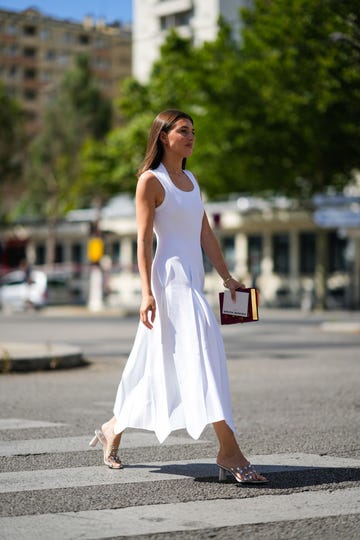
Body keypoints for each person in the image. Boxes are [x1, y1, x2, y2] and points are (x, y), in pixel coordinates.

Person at [90, 109, 268, 484]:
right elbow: (142, 241)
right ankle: (229, 450)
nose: (191, 137)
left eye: (193, 131)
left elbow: (205, 234)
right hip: (168, 285)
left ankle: (112, 428)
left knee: (161, 366)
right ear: (163, 136)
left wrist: (228, 278)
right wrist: (146, 293)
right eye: (183, 131)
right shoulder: (150, 182)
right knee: (202, 356)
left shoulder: (191, 179)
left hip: (193, 283)